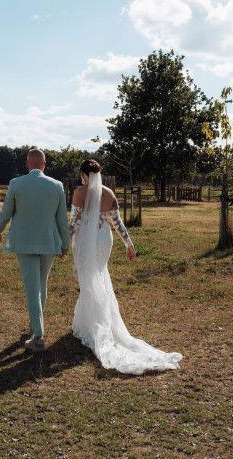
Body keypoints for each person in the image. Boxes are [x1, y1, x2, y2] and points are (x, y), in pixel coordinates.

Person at [69, 159, 182, 374]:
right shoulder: (109, 194)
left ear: (84, 174)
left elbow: (74, 222)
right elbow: (117, 223)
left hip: (87, 242)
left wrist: (63, 244)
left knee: (89, 279)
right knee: (100, 276)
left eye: (81, 174)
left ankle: (95, 325)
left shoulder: (79, 193)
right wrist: (129, 244)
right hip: (104, 240)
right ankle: (92, 320)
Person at [0, 149, 71, 352]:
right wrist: (65, 244)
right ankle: (37, 325)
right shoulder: (57, 185)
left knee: (31, 289)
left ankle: (38, 336)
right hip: (48, 242)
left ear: (27, 164)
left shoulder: (16, 183)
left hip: (25, 242)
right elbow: (62, 219)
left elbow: (6, 212)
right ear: (44, 165)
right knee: (41, 286)